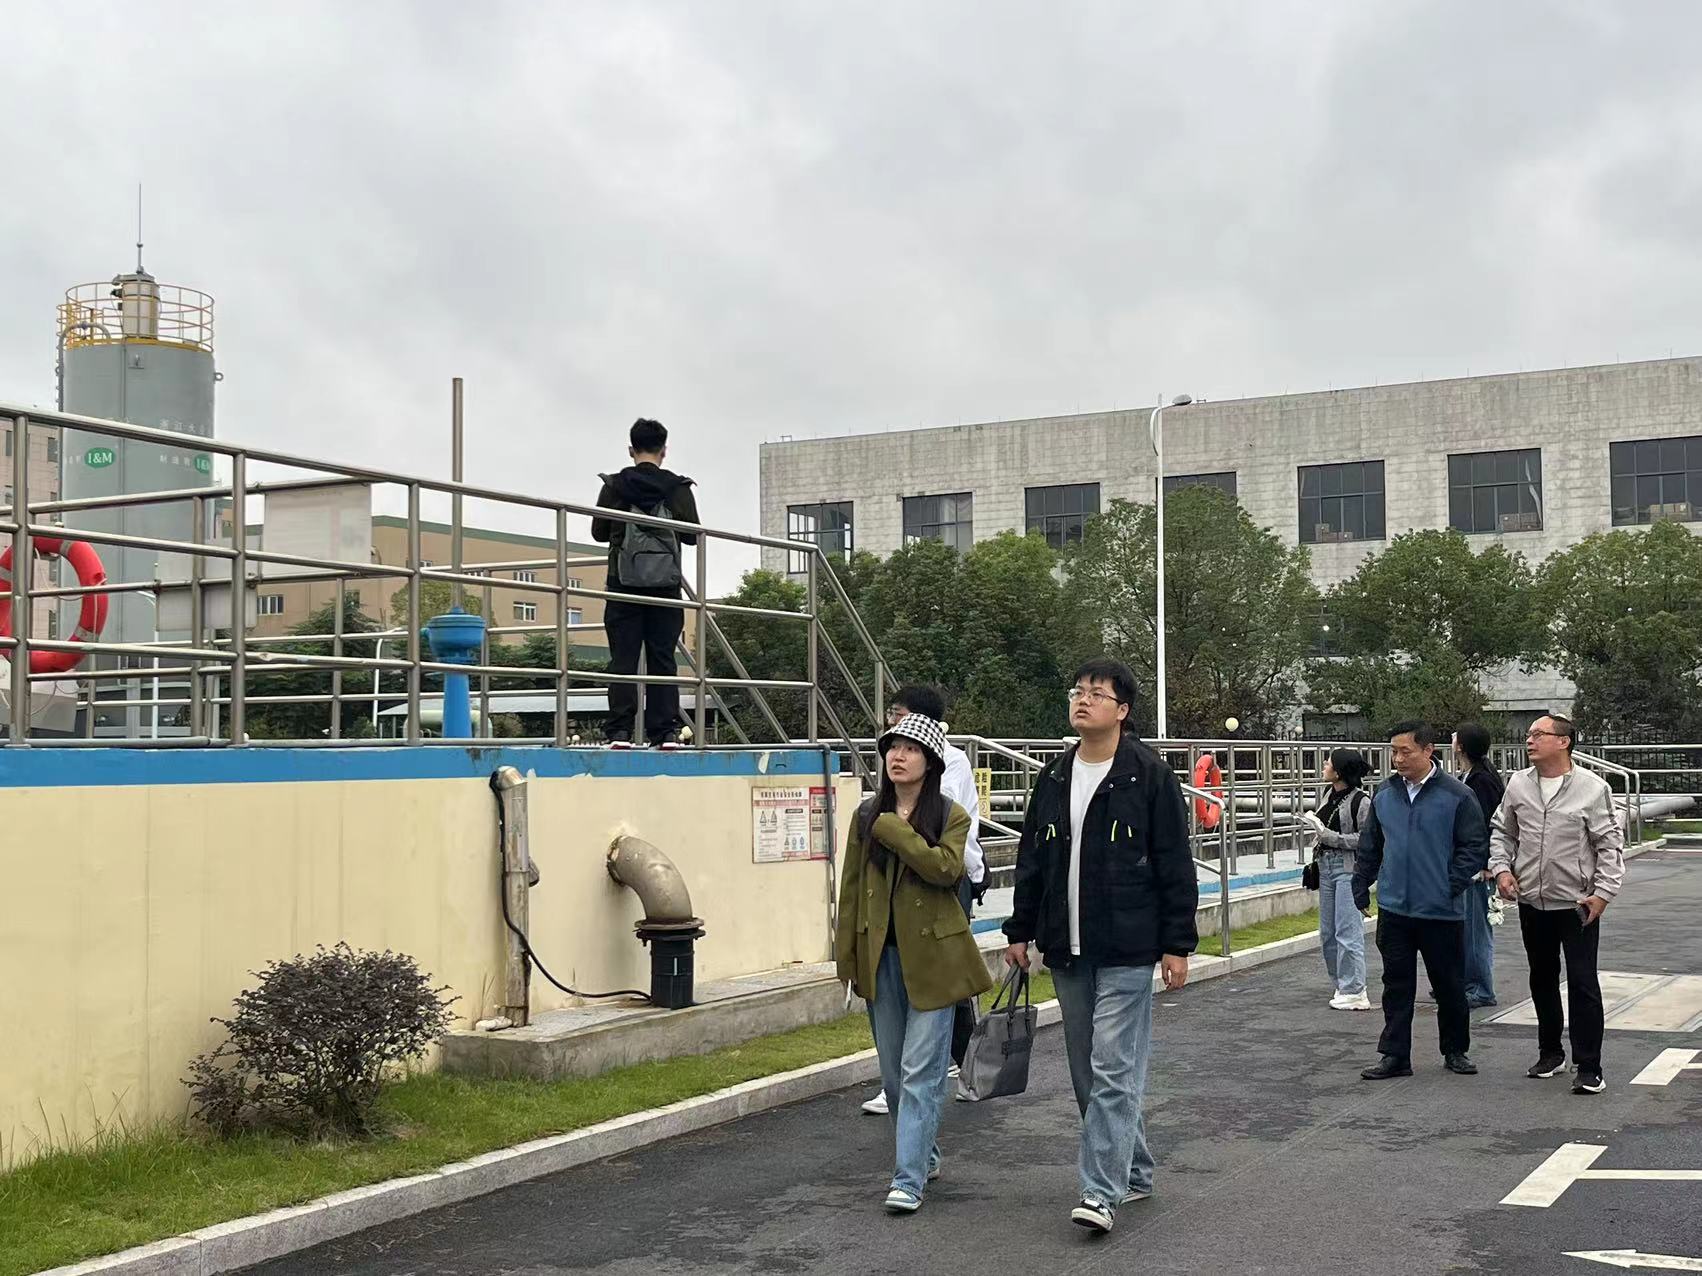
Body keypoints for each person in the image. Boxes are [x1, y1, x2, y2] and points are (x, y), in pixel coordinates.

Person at [1002, 658, 1198, 1235]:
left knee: (1113, 1067)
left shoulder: (1149, 776)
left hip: (1128, 948)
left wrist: (1177, 944)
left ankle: (1100, 1191)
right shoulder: (1054, 775)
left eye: (1097, 693)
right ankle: (1134, 1169)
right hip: (1067, 948)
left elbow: (1174, 864)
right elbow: (1033, 859)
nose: (1083, 700)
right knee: (1087, 1071)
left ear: (1123, 710)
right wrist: (1019, 930)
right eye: (1078, 691)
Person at [835, 712, 993, 1214]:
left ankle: (907, 1178)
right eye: (892, 747)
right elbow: (851, 890)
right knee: (893, 1074)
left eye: (910, 749)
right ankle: (923, 1153)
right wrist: (847, 959)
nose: (898, 756)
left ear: (931, 763)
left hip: (935, 961)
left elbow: (946, 869)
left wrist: (895, 830)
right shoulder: (866, 815)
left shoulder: (949, 814)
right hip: (880, 958)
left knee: (921, 1071)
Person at [860, 685, 987, 1116]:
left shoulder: (950, 762)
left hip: (949, 882)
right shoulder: (876, 802)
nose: (895, 730)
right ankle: (904, 1083)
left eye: (900, 715)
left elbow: (936, 835)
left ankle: (965, 1067)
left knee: (944, 982)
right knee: (901, 994)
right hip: (896, 893)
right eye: (893, 729)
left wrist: (891, 827)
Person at [1488, 714, 1625, 1095]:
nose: (1529, 740)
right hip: (1532, 900)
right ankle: (1550, 1053)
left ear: (1563, 742)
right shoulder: (1518, 783)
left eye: (1539, 734)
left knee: (1582, 982)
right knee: (1542, 977)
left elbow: (1609, 844)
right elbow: (1503, 832)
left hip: (1578, 903)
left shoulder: (1592, 788)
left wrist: (1603, 893)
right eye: (1529, 734)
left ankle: (1589, 1066)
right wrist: (1502, 869)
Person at [1351, 720, 1488, 1081]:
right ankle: (1395, 1055)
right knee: (1396, 985)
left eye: (1405, 751)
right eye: (1393, 752)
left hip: (1441, 910)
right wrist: (1361, 883)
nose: (1398, 759)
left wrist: (1449, 884)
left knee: (1449, 984)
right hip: (1395, 908)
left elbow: (1474, 846)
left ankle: (1455, 1050)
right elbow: (1371, 844)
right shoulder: (1385, 793)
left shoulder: (1457, 795)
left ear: (1428, 751)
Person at [590, 418, 700, 748]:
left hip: (622, 584)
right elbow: (692, 536)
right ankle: (665, 732)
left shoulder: (613, 486)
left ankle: (619, 732)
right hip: (665, 587)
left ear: (631, 449)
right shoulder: (678, 488)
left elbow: (598, 533)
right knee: (662, 658)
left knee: (622, 658)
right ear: (664, 450)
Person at [1300, 749, 1372, 1011]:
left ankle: (1355, 989)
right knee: (1328, 932)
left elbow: (1367, 839)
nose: (1324, 765)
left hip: (1347, 867)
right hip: (1326, 865)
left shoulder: (1361, 801)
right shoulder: (1328, 794)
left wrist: (1330, 836)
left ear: (1339, 771)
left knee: (1347, 930)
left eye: (1329, 762)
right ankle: (1342, 984)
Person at [1452, 724, 1505, 1008]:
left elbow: (1486, 823)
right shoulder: (1470, 775)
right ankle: (1464, 980)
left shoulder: (1481, 780)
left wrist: (1486, 864)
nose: (1451, 739)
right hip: (1467, 865)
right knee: (1464, 928)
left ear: (1462, 746)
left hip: (1478, 869)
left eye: (1455, 737)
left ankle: (1481, 988)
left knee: (1475, 930)